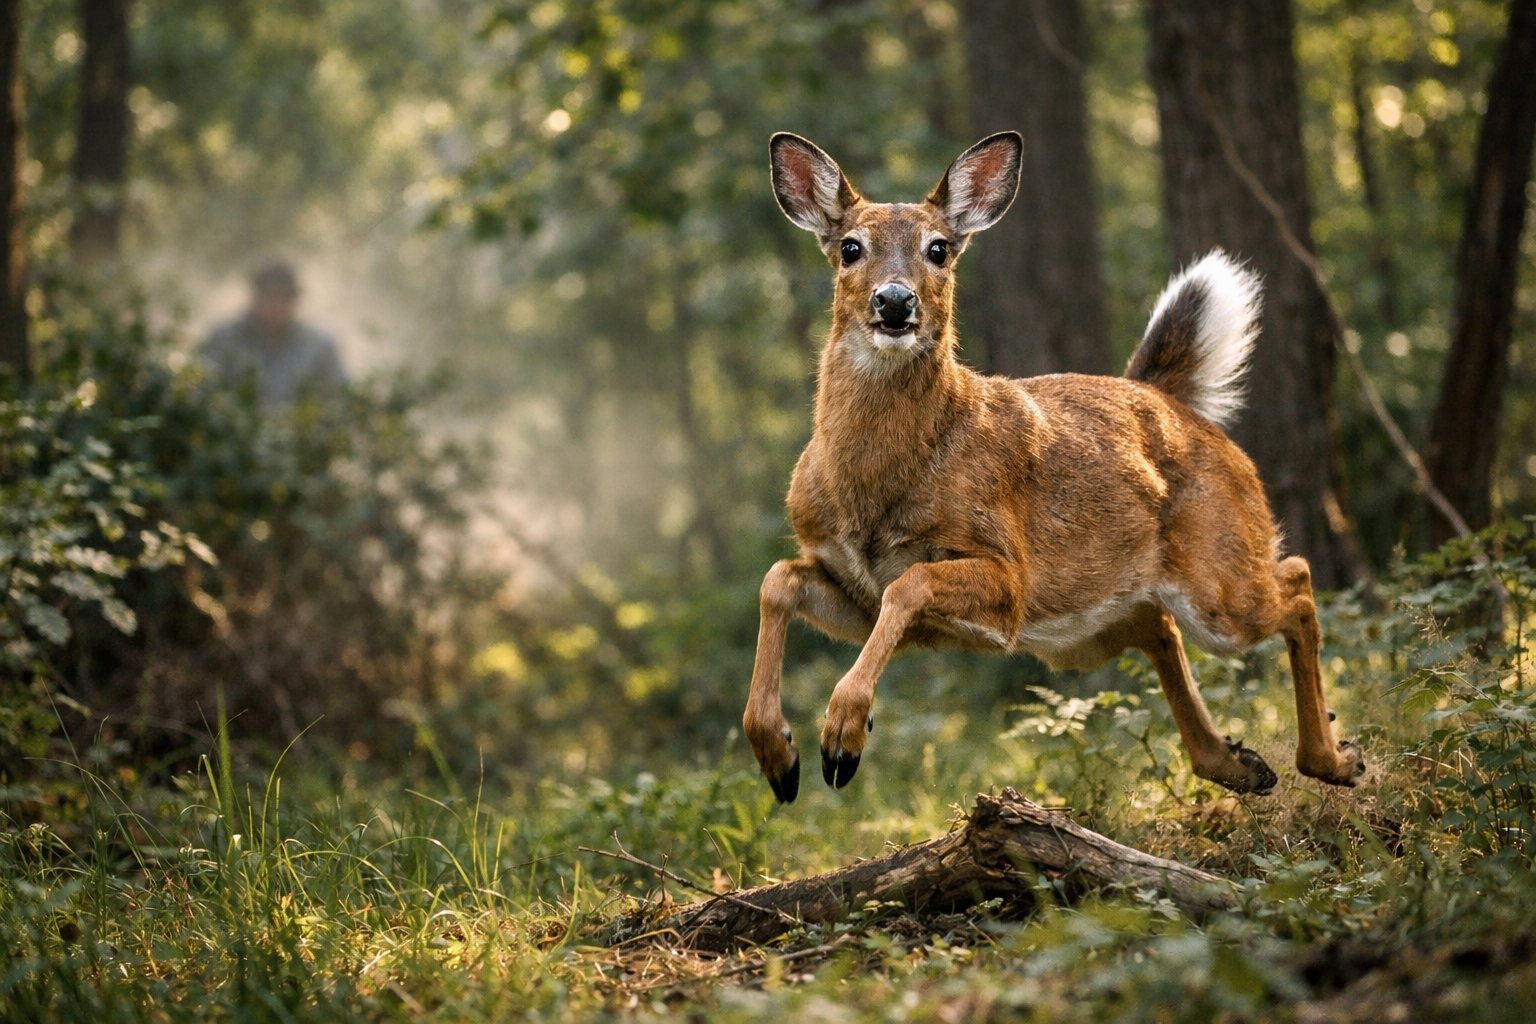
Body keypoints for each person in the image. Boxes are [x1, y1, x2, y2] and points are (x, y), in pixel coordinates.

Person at [201, 261, 345, 406]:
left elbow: (338, 396)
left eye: (284, 296)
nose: (276, 304)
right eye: (270, 295)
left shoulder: (320, 347)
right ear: (255, 296)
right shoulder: (224, 339)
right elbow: (204, 389)